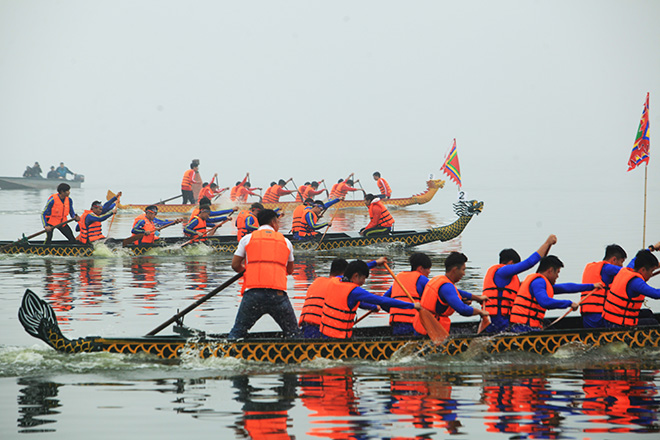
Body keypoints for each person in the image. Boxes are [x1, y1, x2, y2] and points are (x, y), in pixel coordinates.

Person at [228, 209, 299, 340]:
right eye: (277, 221)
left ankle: (226, 352)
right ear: (273, 222)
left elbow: (235, 265)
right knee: (293, 333)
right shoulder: (286, 242)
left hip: (253, 294)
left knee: (238, 331)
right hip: (277, 295)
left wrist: (249, 272)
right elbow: (290, 270)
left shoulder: (247, 239)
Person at [319, 260, 421, 339]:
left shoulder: (335, 281)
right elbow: (382, 300)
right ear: (355, 276)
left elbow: (353, 269)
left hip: (325, 335)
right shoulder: (355, 291)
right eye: (363, 278)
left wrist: (375, 263)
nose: (363, 282)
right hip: (339, 339)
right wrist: (412, 305)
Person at [480, 235, 557, 333]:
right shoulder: (501, 272)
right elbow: (529, 263)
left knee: (546, 323)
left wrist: (548, 248)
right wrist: (547, 243)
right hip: (497, 323)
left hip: (505, 321)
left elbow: (539, 277)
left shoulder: (511, 282)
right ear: (511, 264)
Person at [299, 257, 390, 338]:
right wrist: (374, 307)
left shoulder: (318, 281)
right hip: (322, 331)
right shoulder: (340, 286)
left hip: (306, 327)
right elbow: (360, 303)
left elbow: (356, 271)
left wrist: (375, 263)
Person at [509, 255, 602, 332]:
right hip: (523, 329)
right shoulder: (538, 282)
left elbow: (566, 287)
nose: (557, 276)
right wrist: (569, 303)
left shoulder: (541, 283)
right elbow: (545, 302)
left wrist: (591, 286)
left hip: (525, 326)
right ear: (550, 271)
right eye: (557, 272)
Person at [414, 252, 489, 335]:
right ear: (454, 270)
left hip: (423, 327)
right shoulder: (447, 287)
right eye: (463, 270)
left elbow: (457, 292)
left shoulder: (438, 279)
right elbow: (463, 310)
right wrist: (480, 312)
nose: (464, 274)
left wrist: (477, 298)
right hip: (432, 332)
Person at [602, 249, 660, 328]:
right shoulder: (636, 282)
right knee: (653, 322)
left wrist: (652, 248)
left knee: (647, 313)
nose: (651, 274)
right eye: (651, 271)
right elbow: (656, 294)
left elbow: (637, 256)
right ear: (642, 269)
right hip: (618, 325)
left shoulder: (625, 271)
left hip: (609, 320)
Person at [383, 253, 432, 335]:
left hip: (397, 325)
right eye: (428, 269)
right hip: (414, 325)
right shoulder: (422, 279)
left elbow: (384, 301)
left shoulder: (399, 279)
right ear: (420, 268)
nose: (429, 272)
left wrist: (394, 311)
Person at [580, 244, 627, 328]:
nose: (622, 265)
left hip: (588, 320)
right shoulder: (607, 268)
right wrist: (649, 251)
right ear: (614, 259)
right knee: (650, 321)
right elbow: (629, 272)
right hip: (600, 320)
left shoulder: (591, 267)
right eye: (621, 262)